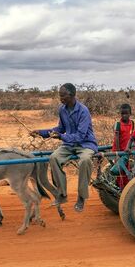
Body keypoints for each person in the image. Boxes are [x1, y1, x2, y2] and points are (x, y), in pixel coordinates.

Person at [31, 83, 98, 213]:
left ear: (72, 95)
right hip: (69, 144)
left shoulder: (83, 111)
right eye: (60, 95)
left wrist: (61, 137)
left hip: (85, 144)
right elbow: (60, 129)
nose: (60, 98)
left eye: (63, 96)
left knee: (85, 160)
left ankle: (81, 197)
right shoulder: (62, 109)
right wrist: (41, 132)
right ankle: (62, 194)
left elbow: (80, 136)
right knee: (54, 158)